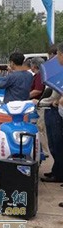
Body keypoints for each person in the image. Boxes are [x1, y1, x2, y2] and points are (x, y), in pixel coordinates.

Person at [40, 43, 63, 183]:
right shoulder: (57, 73)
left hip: (56, 112)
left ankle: (59, 174)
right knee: (54, 144)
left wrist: (56, 101)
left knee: (57, 143)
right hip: (54, 109)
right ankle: (57, 170)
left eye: (55, 56)